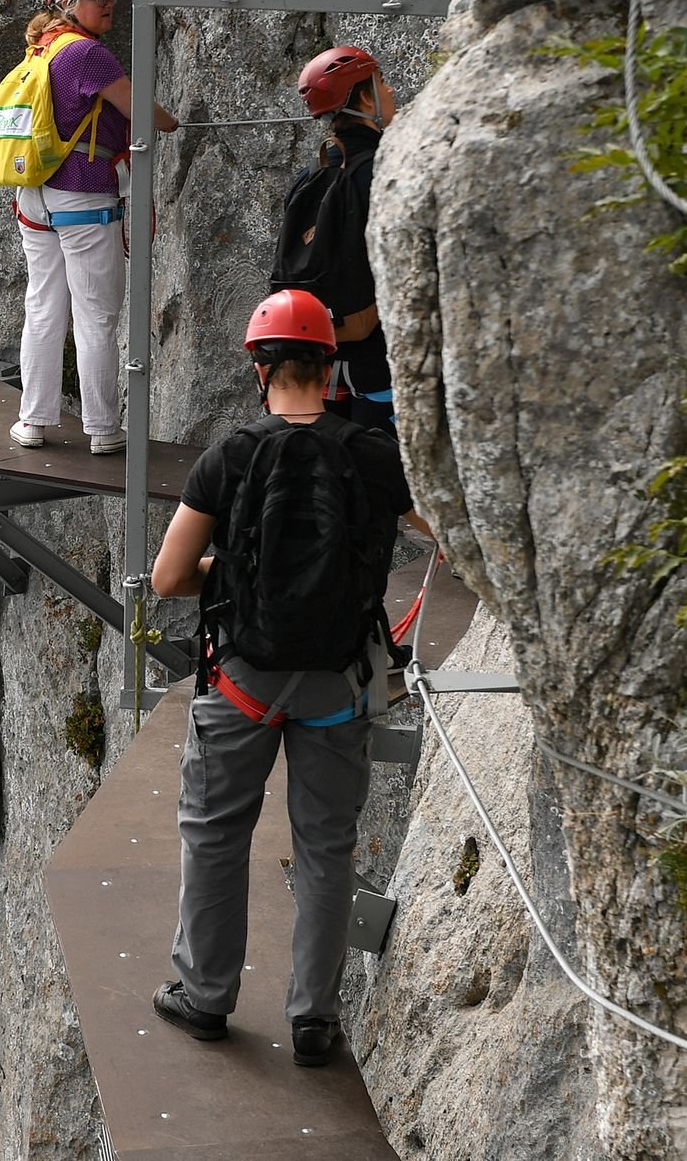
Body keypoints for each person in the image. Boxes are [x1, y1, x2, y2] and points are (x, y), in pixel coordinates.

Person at [147, 289, 431, 1068]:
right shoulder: (374, 455)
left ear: (259, 369)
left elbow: (170, 577)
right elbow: (449, 530)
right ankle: (314, 1017)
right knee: (326, 846)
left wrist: (230, 566)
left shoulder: (230, 457)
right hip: (339, 682)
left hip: (243, 677)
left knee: (214, 836)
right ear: (330, 366)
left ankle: (205, 996)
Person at [8, 0, 178, 455]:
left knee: (42, 307)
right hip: (83, 196)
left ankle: (32, 423)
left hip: (35, 196)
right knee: (96, 315)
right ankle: (103, 429)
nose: (109, 6)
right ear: (67, 2)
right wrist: (172, 123)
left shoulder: (39, 48)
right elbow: (141, 112)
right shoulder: (86, 54)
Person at [271, 46, 398, 431]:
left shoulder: (315, 172)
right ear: (364, 98)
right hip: (378, 362)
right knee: (383, 478)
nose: (390, 90)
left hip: (320, 356)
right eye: (381, 82)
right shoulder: (385, 168)